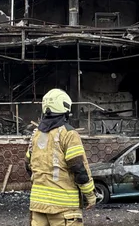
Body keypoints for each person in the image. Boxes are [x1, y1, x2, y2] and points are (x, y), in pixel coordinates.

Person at [26, 89, 95, 226]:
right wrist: (90, 195)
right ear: (65, 109)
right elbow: (78, 169)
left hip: (38, 207)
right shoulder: (69, 134)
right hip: (64, 208)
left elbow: (28, 166)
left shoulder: (36, 135)